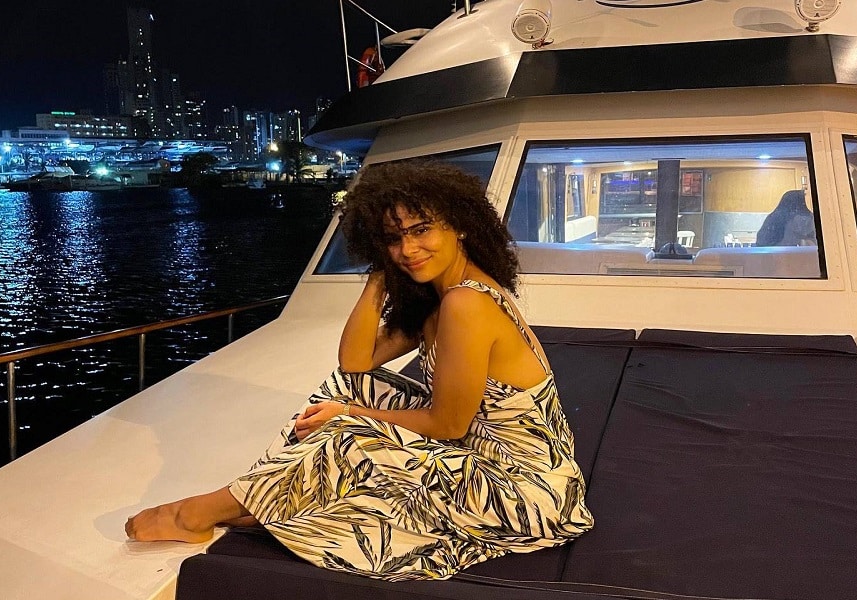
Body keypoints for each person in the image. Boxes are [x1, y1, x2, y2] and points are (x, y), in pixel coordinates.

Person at [125, 160, 593, 580]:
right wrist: (380, 275)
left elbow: (449, 424)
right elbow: (355, 362)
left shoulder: (467, 303)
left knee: (347, 428)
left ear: (461, 226)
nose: (408, 249)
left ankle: (201, 511)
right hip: (480, 453)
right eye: (393, 238)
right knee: (351, 388)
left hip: (524, 490)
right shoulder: (440, 299)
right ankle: (269, 494)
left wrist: (349, 415)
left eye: (421, 230)